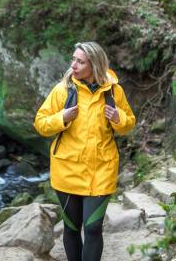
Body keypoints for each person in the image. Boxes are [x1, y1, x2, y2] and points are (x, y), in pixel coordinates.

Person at [33, 41, 136, 261]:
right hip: (67, 171)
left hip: (102, 170)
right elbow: (40, 124)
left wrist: (119, 119)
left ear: (95, 65)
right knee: (71, 228)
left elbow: (129, 123)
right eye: (73, 59)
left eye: (80, 61)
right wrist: (62, 118)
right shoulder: (63, 90)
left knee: (92, 228)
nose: (74, 65)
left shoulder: (114, 91)